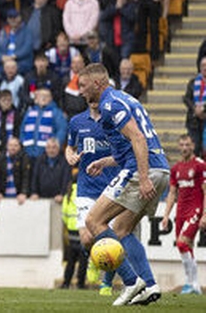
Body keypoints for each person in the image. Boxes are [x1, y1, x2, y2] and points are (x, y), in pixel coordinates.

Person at [78, 63, 170, 306]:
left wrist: (142, 177)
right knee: (122, 229)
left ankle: (131, 282)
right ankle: (149, 286)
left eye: (84, 86)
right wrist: (105, 162)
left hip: (144, 169)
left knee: (93, 221)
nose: (80, 91)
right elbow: (131, 143)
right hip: (160, 167)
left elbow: (138, 139)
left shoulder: (109, 105)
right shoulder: (124, 99)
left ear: (98, 83)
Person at [66, 101, 123, 295]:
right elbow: (69, 147)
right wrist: (71, 157)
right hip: (86, 186)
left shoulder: (115, 122)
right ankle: (93, 258)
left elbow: (125, 153)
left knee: (112, 239)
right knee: (87, 238)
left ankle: (106, 283)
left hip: (111, 187)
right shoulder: (77, 121)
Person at [161, 135, 206, 295]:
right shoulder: (176, 168)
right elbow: (172, 193)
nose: (184, 148)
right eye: (182, 145)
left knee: (182, 243)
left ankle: (191, 283)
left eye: (187, 144)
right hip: (180, 212)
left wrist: (204, 214)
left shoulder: (200, 165)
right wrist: (166, 215)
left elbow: (205, 190)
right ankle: (194, 285)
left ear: (193, 145)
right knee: (185, 248)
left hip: (195, 210)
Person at [0, 137, 30, 203]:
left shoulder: (24, 158)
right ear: (7, 146)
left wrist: (23, 192)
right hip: (3, 195)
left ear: (20, 147)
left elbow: (26, 177)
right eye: (10, 145)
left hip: (19, 195)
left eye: (15, 145)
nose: (13, 148)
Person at [184, 56, 206, 156]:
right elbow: (186, 98)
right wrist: (195, 109)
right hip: (193, 120)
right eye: (203, 65)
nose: (205, 68)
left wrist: (203, 109)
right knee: (195, 147)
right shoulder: (193, 82)